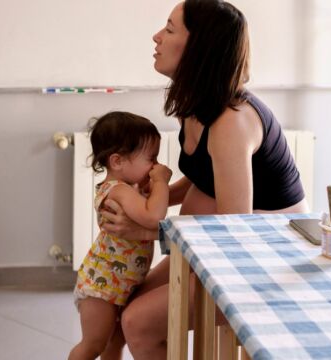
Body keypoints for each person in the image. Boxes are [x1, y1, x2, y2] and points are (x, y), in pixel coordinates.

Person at [101, 1, 309, 358]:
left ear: (199, 47)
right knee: (122, 305)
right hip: (213, 243)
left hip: (266, 253)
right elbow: (205, 176)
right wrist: (156, 191)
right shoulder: (195, 104)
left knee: (137, 322)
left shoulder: (231, 123)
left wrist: (145, 231)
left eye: (169, 29)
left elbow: (233, 228)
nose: (157, 36)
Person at [68, 111, 172, 360]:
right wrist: (161, 183)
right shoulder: (118, 191)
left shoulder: (129, 190)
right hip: (101, 289)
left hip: (121, 285)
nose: (155, 166)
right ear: (117, 162)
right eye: (151, 158)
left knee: (114, 345)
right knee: (93, 345)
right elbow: (154, 217)